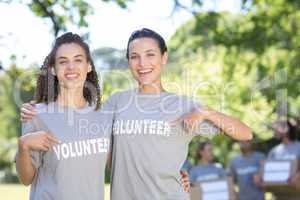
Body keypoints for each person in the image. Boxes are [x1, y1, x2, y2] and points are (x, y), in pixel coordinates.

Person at [21, 28, 252, 200]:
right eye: (134, 56)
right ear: (129, 62)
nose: (143, 63)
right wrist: (38, 108)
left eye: (150, 55)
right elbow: (93, 140)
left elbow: (245, 134)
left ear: (164, 58)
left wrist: (206, 111)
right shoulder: (115, 103)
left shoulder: (184, 106)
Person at [15, 32, 113, 200]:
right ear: (53, 69)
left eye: (78, 60)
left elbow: (121, 166)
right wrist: (22, 146)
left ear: (88, 66)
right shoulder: (36, 114)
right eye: (63, 61)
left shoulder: (105, 117)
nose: (71, 67)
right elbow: (26, 179)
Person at [266, 118, 300, 200]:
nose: (274, 131)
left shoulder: (298, 147)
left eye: (276, 128)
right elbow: (268, 172)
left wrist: (298, 176)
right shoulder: (274, 151)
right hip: (278, 196)